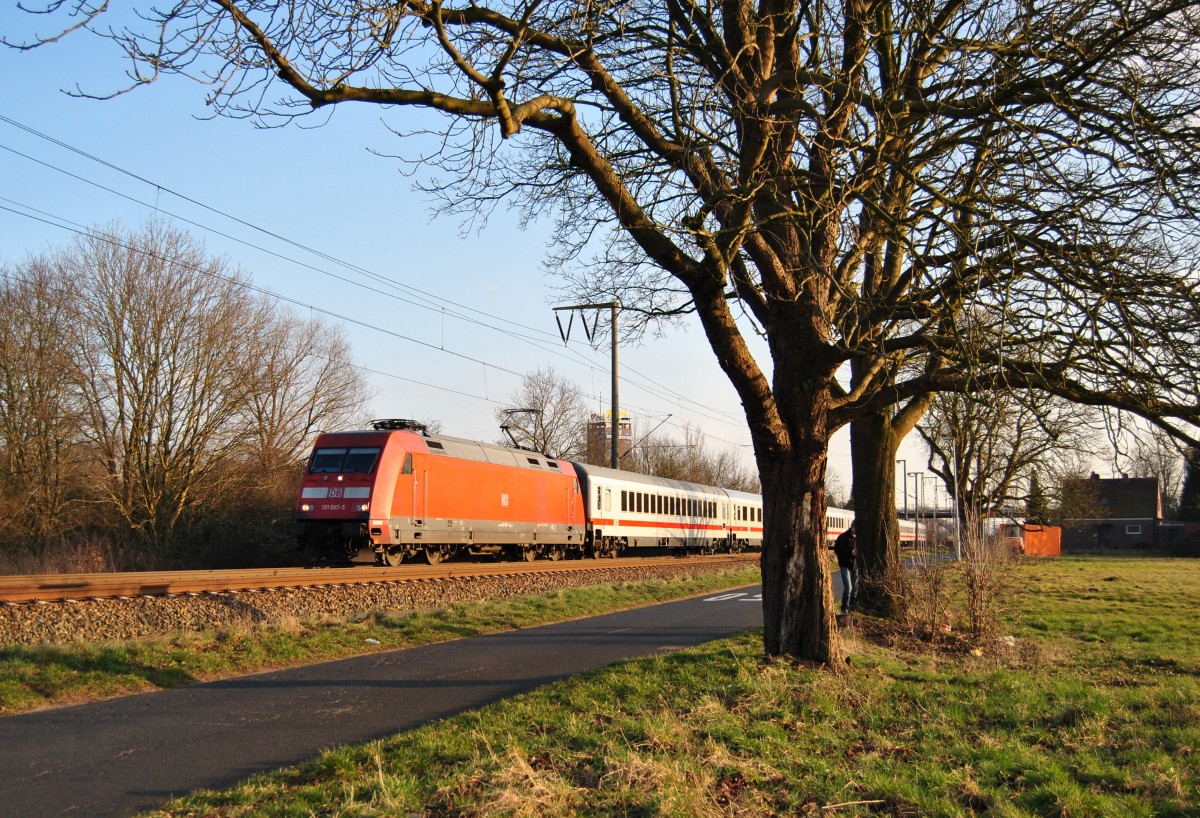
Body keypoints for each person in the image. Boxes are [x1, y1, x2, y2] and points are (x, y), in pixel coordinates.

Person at [830, 520, 858, 616]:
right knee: (848, 588)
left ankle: (851, 610)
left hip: (855, 566)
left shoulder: (859, 538)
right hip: (845, 565)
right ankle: (844, 610)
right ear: (852, 527)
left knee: (855, 590)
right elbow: (837, 549)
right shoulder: (843, 537)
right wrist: (850, 552)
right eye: (855, 528)